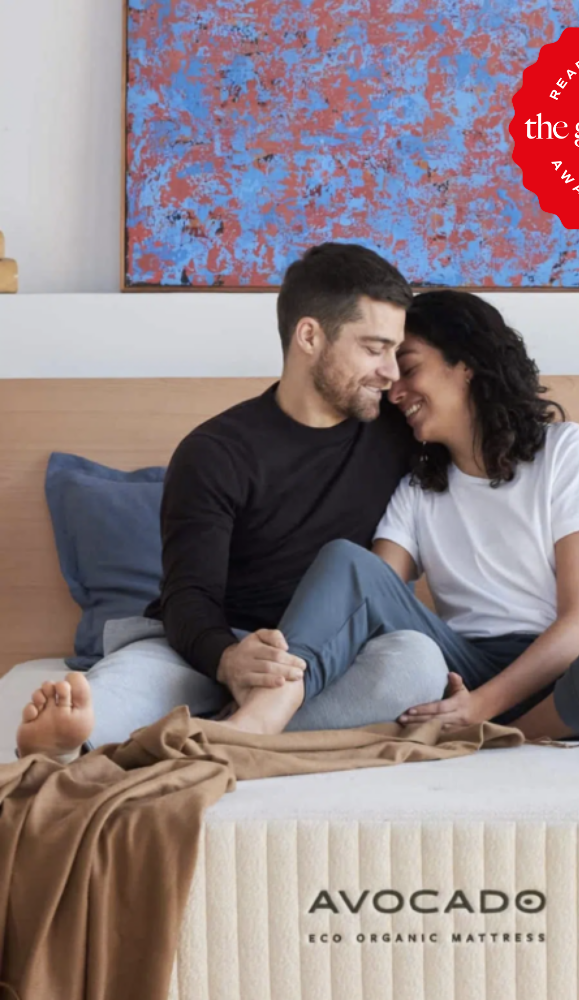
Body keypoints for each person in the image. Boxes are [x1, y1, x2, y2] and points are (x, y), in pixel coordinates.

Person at [192, 289, 579, 743]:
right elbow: (369, 596)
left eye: (410, 366)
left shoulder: (566, 450)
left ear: (466, 364)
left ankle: (498, 738)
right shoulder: (418, 489)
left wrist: (480, 709)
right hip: (473, 667)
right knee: (347, 563)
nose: (395, 389)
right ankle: (260, 716)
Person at [15, 244, 452, 763]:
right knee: (127, 680)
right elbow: (187, 593)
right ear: (309, 336)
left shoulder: (400, 432)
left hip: (330, 658)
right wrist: (227, 660)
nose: (389, 373)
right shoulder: (215, 451)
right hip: (204, 649)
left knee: (418, 662)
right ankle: (74, 737)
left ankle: (216, 735)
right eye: (374, 348)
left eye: (395, 352)